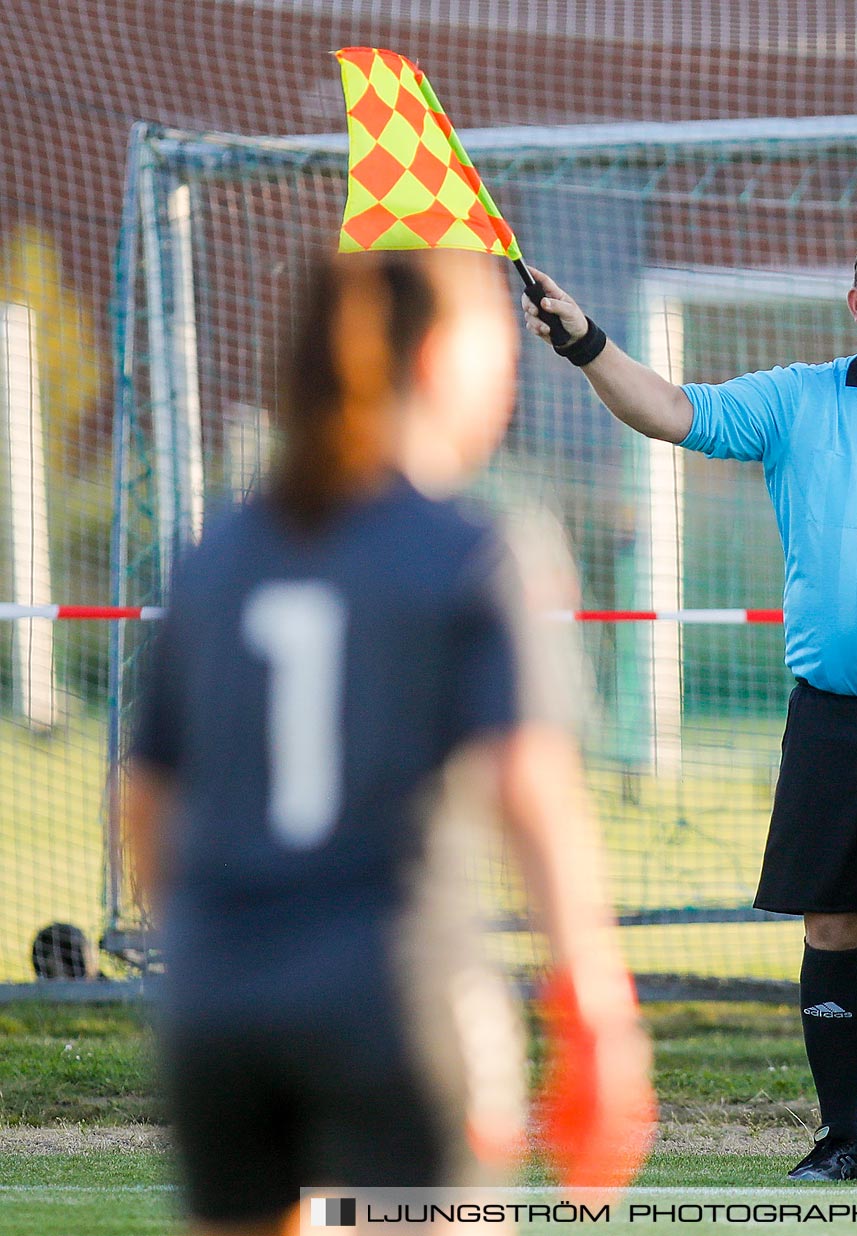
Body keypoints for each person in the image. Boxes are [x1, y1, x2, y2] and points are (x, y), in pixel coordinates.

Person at [524, 226, 857, 1185]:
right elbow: (672, 412)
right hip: (833, 711)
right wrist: (584, 342)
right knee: (832, 926)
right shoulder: (793, 402)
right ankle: (836, 1139)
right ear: (854, 303)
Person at [124, 249, 654, 1235]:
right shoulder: (477, 549)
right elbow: (530, 792)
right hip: (394, 999)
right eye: (500, 354)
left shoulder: (215, 557)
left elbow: (147, 798)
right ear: (444, 360)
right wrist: (596, 1017)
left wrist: (214, 958)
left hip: (217, 1008)